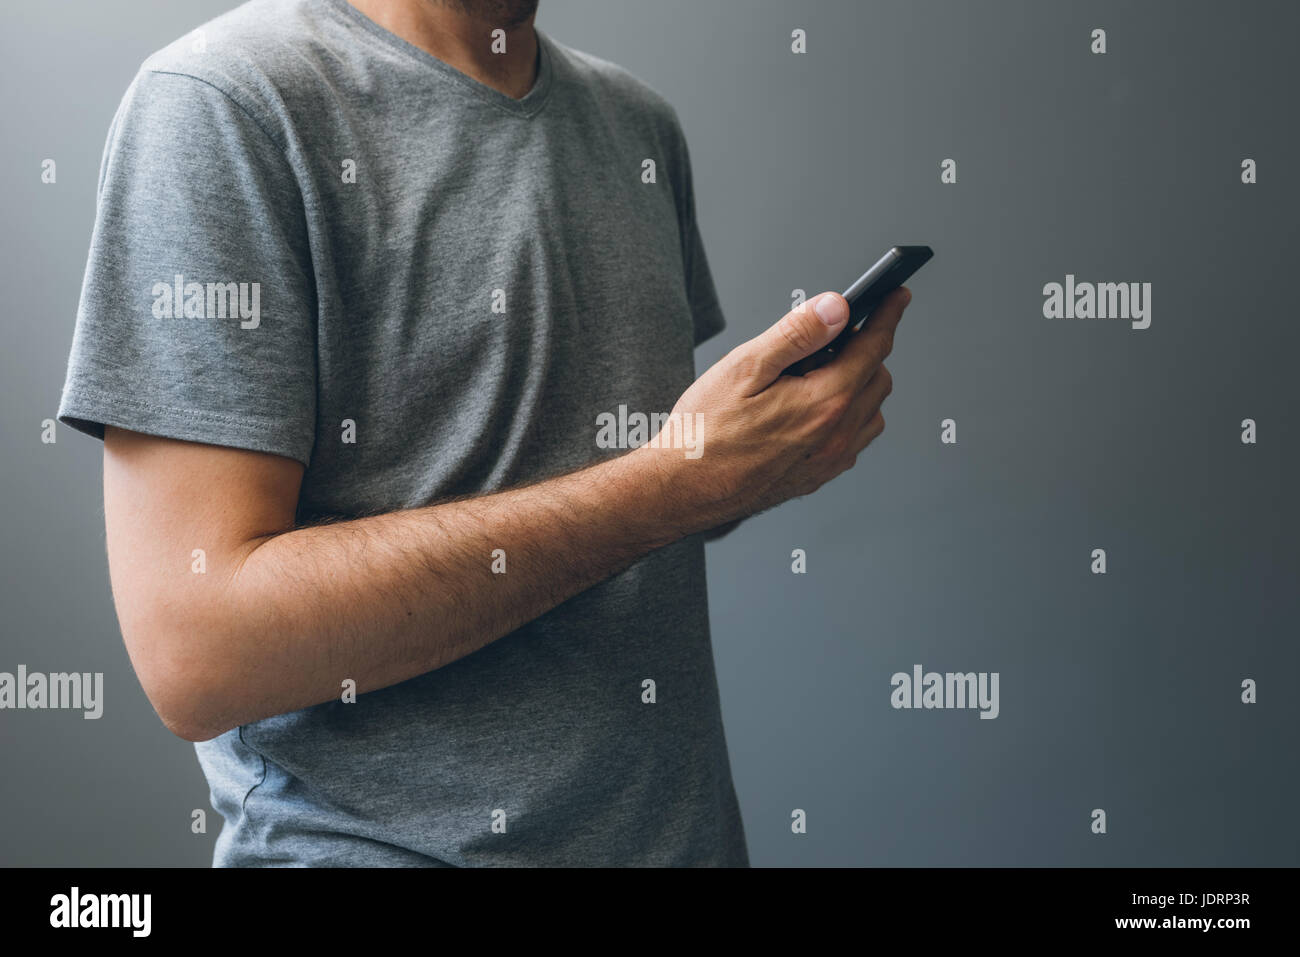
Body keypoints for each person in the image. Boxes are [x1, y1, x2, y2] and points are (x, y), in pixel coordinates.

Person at [56, 0, 909, 867]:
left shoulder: (638, 125)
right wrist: (672, 486)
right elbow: (198, 652)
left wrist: (749, 456)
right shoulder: (222, 102)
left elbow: (628, 486)